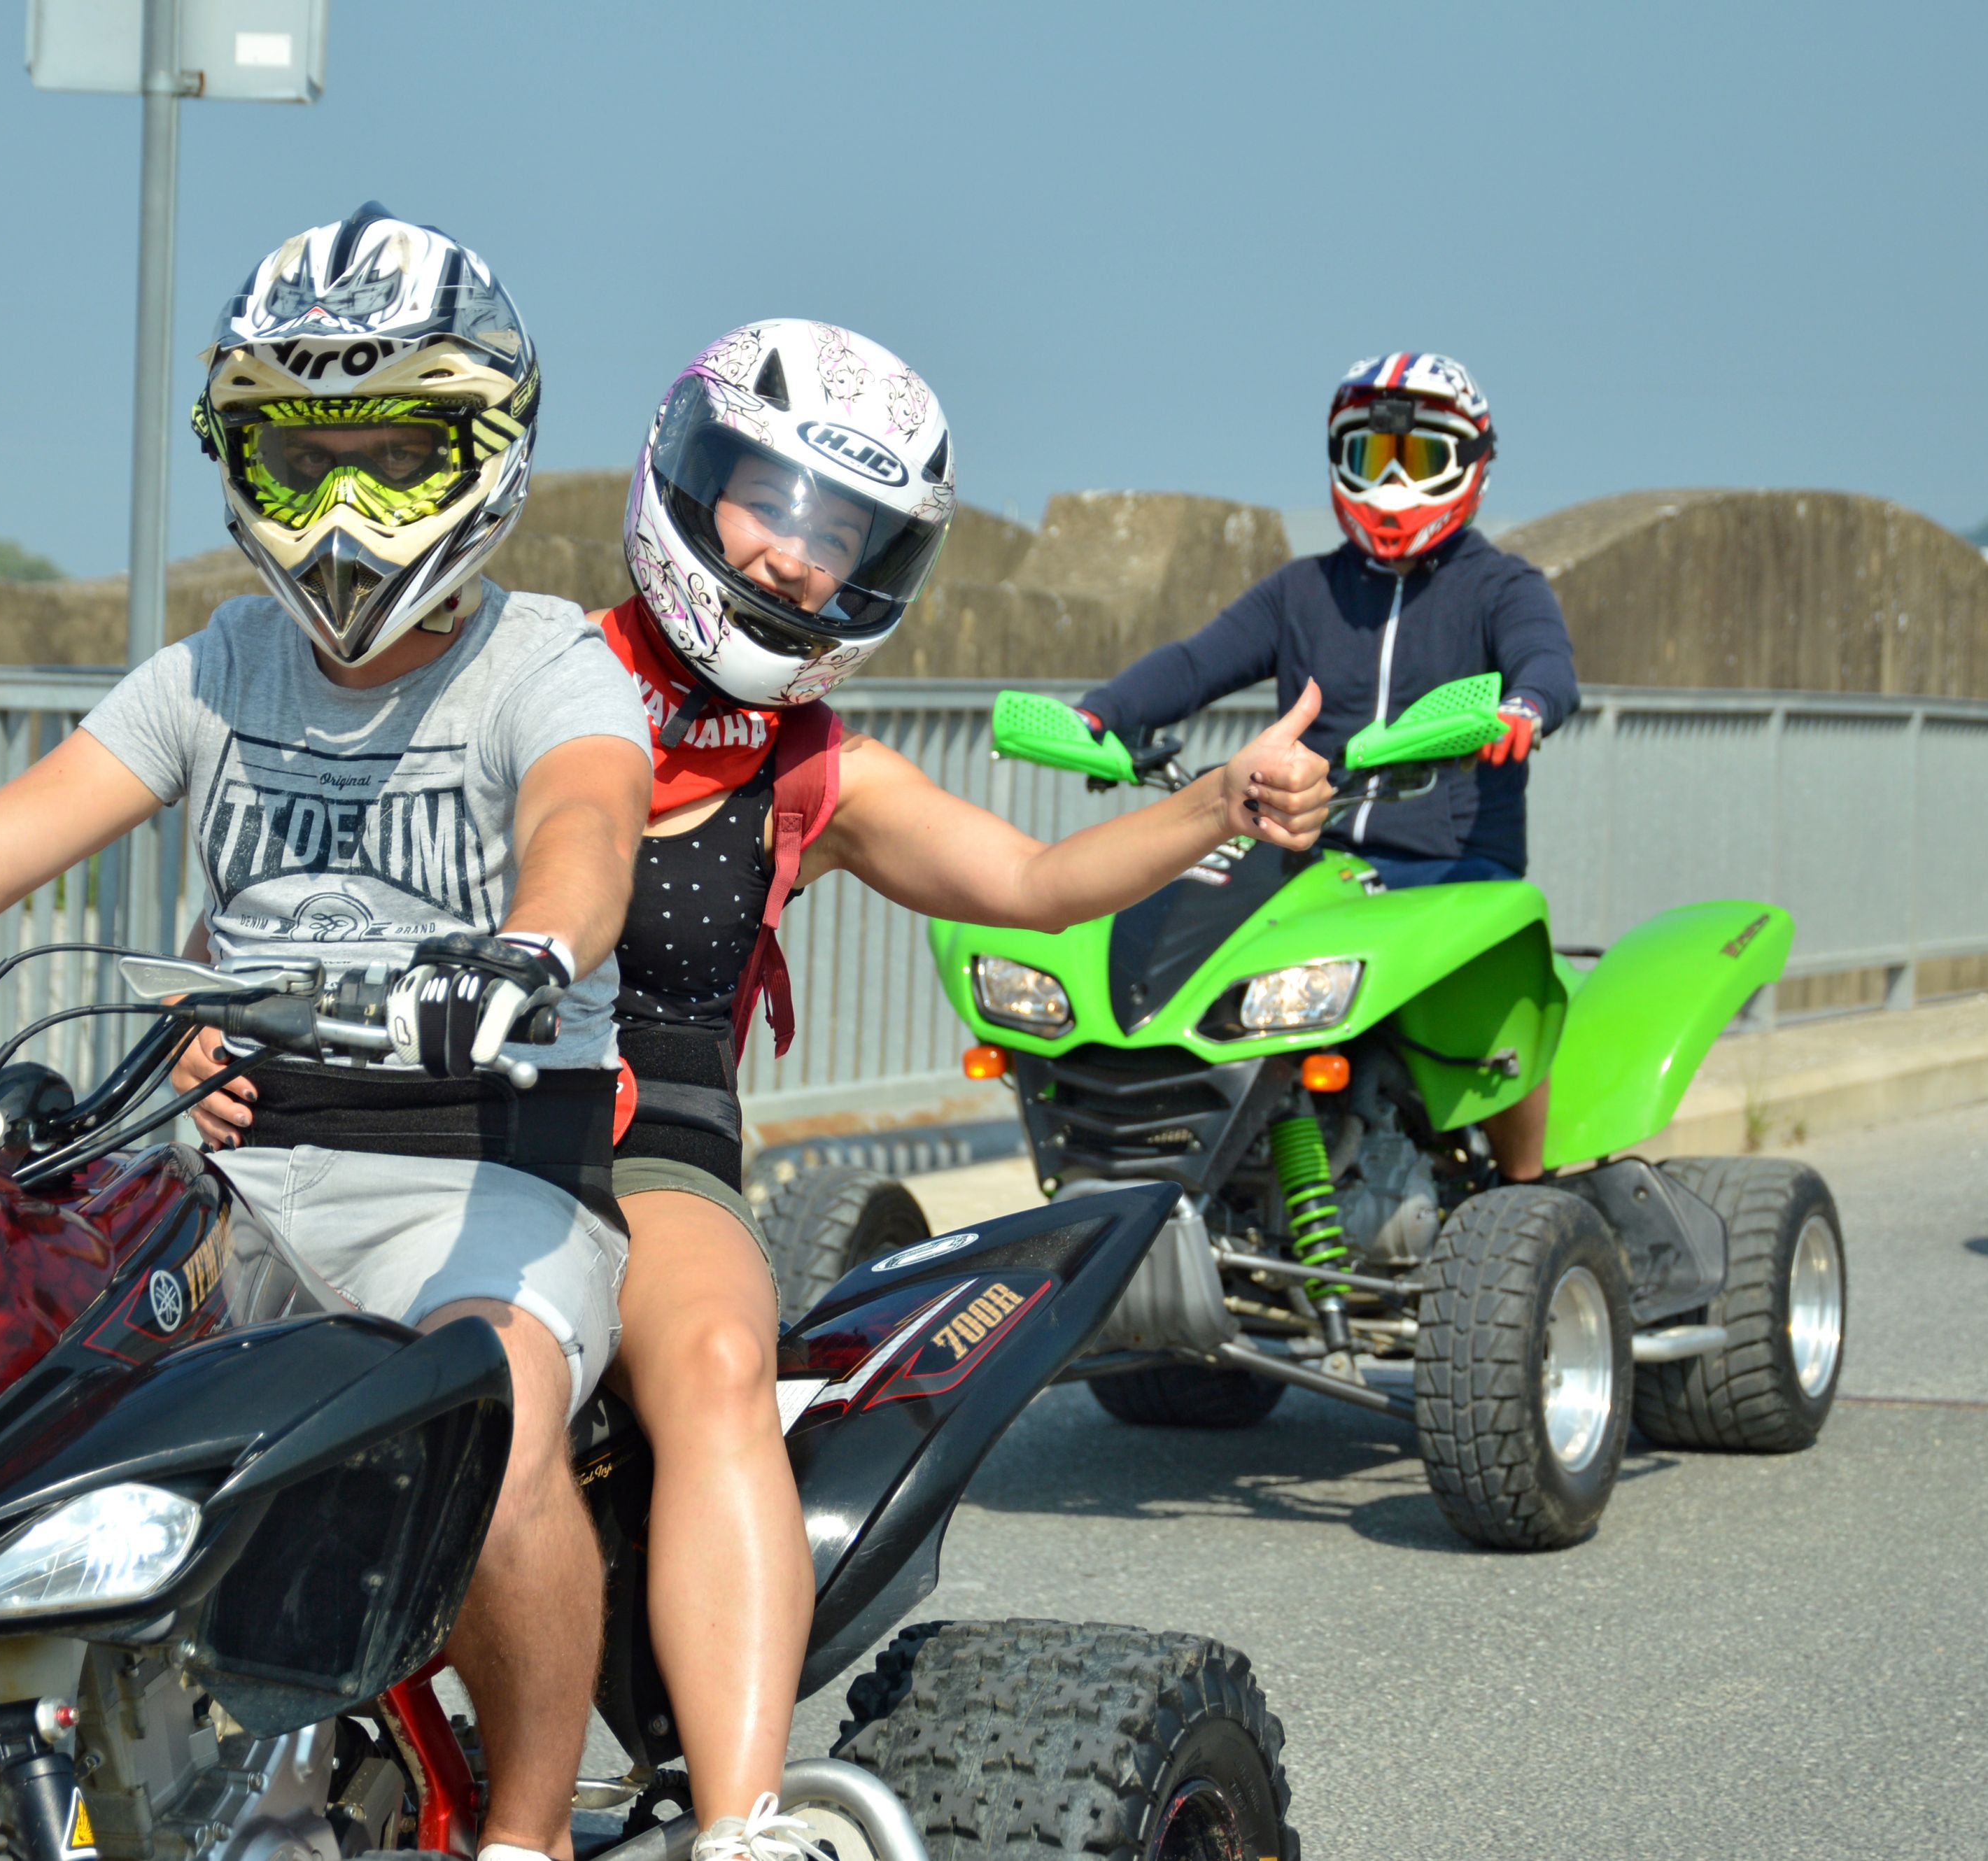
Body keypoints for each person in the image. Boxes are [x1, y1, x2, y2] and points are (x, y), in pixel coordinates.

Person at [175, 320, 1337, 1861]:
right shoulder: (500, 669)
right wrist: (197, 1028)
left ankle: (739, 1820)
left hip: (640, 1143)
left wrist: (1217, 802)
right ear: (685, 481)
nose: (794, 563)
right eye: (769, 509)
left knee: (717, 1353)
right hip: (390, 1114)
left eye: (840, 535)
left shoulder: (808, 770)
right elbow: (281, 888)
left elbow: (1038, 881)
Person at [0, 205, 652, 1861]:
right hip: (224, 1178)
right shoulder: (218, 666)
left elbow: (587, 830)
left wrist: (525, 952)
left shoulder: (555, 668)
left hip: (478, 1185)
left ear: (491, 449)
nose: (340, 513)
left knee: (495, 1416)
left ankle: (522, 1835)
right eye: (294, 459)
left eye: (396, 456)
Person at [1074, 351, 1579, 1182]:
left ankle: (1531, 1191)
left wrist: (1525, 709)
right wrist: (1102, 712)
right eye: (1366, 456)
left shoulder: (1501, 587)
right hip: (1307, 854)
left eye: (1415, 459)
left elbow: (1546, 663)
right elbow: (1196, 663)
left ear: (1471, 465)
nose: (1389, 482)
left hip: (1452, 865)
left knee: (1504, 995)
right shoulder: (1301, 590)